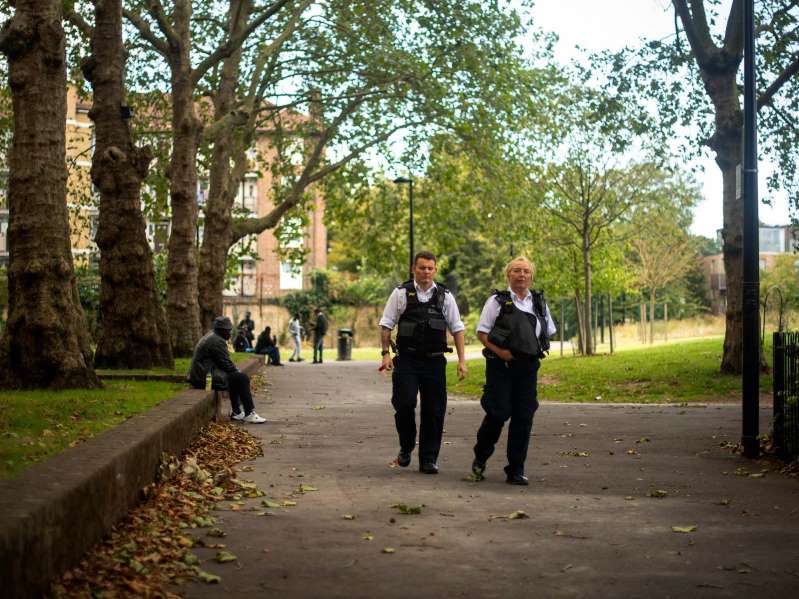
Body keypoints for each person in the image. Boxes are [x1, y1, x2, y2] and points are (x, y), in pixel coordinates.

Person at [379, 250, 468, 474]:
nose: (426, 272)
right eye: (421, 268)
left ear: (435, 270)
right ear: (414, 269)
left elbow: (457, 328)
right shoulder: (401, 294)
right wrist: (385, 354)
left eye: (430, 268)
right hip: (407, 360)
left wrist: (462, 361)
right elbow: (386, 324)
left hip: (435, 362)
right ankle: (406, 446)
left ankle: (428, 458)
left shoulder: (445, 296)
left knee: (434, 411)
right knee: (404, 404)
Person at [470, 257, 556, 485]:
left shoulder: (538, 302)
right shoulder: (496, 301)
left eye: (526, 271)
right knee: (498, 413)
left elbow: (547, 332)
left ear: (531, 276)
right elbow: (482, 333)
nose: (521, 274)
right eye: (517, 271)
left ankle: (516, 469)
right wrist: (502, 352)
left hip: (527, 367)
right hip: (501, 365)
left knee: (523, 416)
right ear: (509, 275)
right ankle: (481, 456)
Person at [187, 316, 266, 424]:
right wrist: (237, 372)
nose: (230, 333)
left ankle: (237, 412)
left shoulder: (213, 336)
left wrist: (235, 371)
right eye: (228, 331)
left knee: (235, 377)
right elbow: (226, 364)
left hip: (201, 375)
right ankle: (249, 413)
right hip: (204, 377)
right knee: (241, 378)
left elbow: (224, 362)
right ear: (222, 330)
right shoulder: (217, 341)